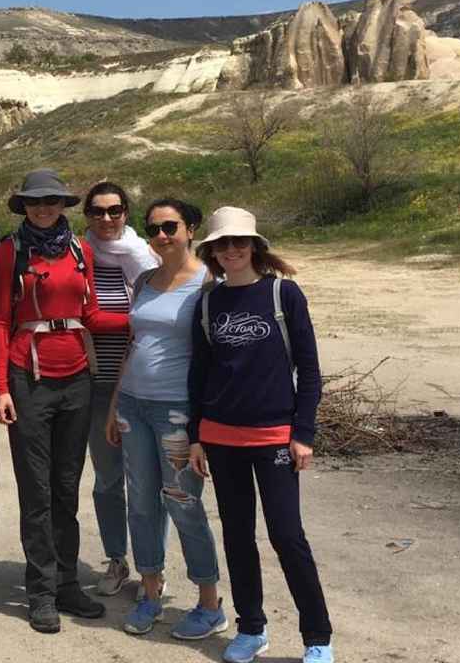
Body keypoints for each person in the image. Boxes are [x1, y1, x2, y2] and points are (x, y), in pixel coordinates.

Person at [186, 207, 333, 663]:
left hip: (274, 436)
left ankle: (317, 638)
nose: (232, 250)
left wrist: (302, 433)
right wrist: (195, 436)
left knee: (287, 536)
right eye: (222, 244)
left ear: (255, 246)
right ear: (211, 252)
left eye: (240, 242)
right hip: (221, 437)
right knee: (237, 535)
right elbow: (199, 375)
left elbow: (308, 369)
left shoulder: (283, 295)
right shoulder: (208, 302)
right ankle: (251, 628)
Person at [0, 168, 130, 634]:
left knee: (66, 487)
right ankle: (41, 592)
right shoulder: (10, 252)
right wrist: (1, 388)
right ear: (24, 206)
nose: (44, 208)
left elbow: (88, 313)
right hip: (27, 376)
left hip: (76, 376)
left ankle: (68, 582)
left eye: (51, 201)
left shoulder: (79, 249)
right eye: (35, 202)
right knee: (36, 490)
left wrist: (139, 319)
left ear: (63, 205)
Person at [104, 199, 224, 639]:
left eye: (170, 226)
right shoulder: (145, 282)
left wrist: (204, 427)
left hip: (177, 410)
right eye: (153, 228)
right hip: (134, 405)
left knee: (182, 501)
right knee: (140, 502)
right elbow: (133, 345)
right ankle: (151, 591)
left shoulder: (209, 285)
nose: (160, 236)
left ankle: (210, 603)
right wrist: (116, 405)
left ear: (190, 229)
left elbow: (216, 359)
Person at [79, 181, 157, 598]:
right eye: (97, 212)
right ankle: (116, 559)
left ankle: (151, 567)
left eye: (114, 210)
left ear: (127, 212)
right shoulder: (78, 256)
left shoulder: (148, 259)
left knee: (147, 481)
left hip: (142, 387)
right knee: (108, 480)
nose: (106, 219)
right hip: (96, 385)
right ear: (86, 215)